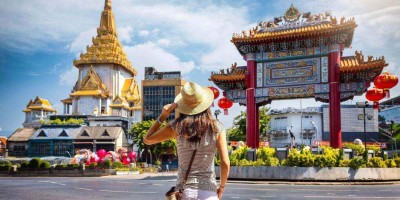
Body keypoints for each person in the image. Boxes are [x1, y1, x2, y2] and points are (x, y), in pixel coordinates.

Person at [144, 82, 230, 200]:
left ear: (183, 105)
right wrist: (222, 187)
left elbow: (147, 140)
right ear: (205, 104)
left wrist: (163, 115)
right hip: (208, 191)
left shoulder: (176, 127)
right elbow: (225, 162)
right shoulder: (217, 128)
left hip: (185, 192)